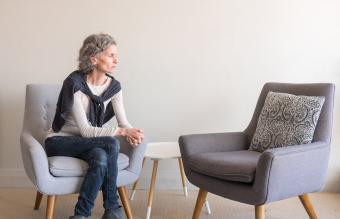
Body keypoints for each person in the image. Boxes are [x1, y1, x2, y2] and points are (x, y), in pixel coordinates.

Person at [44, 33, 145, 219]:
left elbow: (124, 123)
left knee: (100, 157)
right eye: (111, 55)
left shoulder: (114, 87)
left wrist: (132, 132)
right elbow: (86, 130)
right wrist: (122, 132)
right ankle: (113, 207)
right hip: (60, 141)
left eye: (116, 55)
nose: (116, 60)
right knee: (110, 144)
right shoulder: (74, 84)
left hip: (89, 143)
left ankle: (81, 215)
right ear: (94, 58)